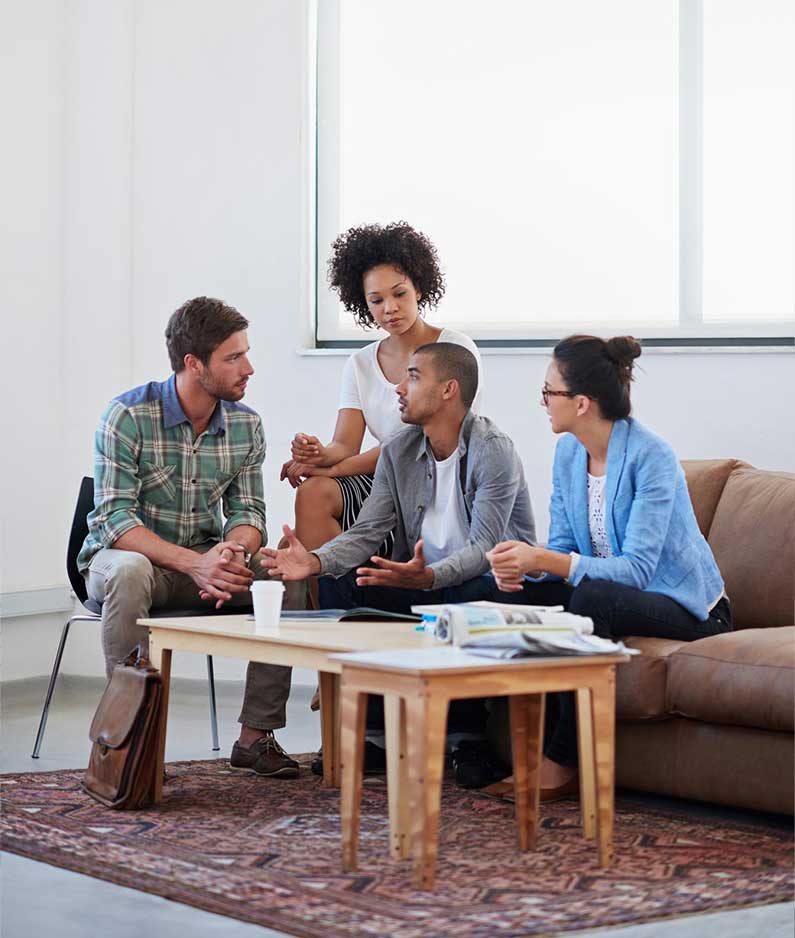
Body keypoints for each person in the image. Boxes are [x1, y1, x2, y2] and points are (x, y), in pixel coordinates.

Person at [262, 342, 535, 786]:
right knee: (346, 581)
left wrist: (428, 576)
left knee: (469, 593)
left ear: (448, 390)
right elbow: (368, 531)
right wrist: (312, 562)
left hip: (491, 583)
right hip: (426, 581)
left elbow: (486, 547)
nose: (398, 390)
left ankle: (467, 739)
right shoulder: (399, 449)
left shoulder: (492, 449)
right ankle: (376, 736)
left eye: (412, 377)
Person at [486, 334, 732, 800]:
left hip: (692, 610)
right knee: (509, 593)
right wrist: (523, 566)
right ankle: (497, 743)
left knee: (588, 599)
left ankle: (560, 763)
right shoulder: (568, 454)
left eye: (548, 392)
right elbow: (561, 550)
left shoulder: (650, 456)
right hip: (606, 594)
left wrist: (547, 560)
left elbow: (637, 570)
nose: (542, 402)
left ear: (581, 403)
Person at [77, 296, 298, 779]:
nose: (250, 368)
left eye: (246, 353)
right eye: (234, 358)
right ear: (193, 363)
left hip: (205, 562)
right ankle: (129, 741)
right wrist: (194, 563)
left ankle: (256, 738)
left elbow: (249, 512)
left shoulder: (246, 425)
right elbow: (114, 520)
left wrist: (232, 550)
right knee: (131, 569)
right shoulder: (127, 416)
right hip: (128, 562)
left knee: (284, 572)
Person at [279, 222, 483, 588]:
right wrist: (315, 455)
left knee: (318, 493)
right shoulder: (359, 364)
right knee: (313, 493)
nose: (390, 308)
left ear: (419, 287)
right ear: (363, 303)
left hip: (430, 478)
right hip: (378, 483)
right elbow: (344, 445)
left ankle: (353, 599)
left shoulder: (454, 351)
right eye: (376, 300)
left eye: (400, 294)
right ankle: (331, 617)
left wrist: (334, 471)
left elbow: (416, 441)